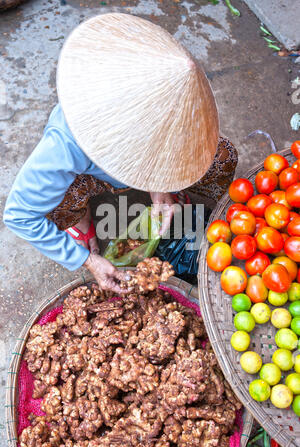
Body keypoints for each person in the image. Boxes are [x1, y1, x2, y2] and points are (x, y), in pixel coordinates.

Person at [3, 13, 237, 294]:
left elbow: (169, 145)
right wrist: (88, 261)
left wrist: (160, 187)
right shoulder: (66, 143)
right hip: (88, 175)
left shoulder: (176, 94)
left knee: (222, 155)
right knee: (55, 205)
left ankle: (169, 196)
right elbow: (20, 216)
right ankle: (81, 219)